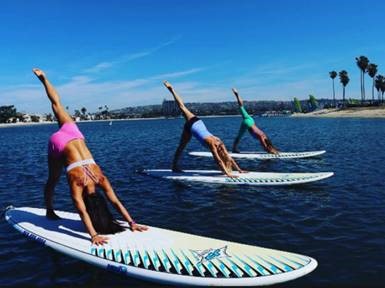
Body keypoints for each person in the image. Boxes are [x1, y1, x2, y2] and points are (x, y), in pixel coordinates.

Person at [33, 68, 147, 245]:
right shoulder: (78, 184)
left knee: (57, 103)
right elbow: (82, 211)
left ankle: (44, 78)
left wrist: (131, 221)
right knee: (53, 179)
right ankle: (49, 210)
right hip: (59, 144)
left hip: (74, 134)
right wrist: (93, 234)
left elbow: (114, 201)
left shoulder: (101, 178)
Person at [163, 81, 245, 177]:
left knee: (181, 147)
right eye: (219, 148)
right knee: (182, 107)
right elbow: (218, 160)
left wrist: (240, 170)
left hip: (192, 127)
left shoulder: (220, 143)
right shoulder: (213, 144)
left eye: (220, 149)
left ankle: (174, 166)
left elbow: (228, 157)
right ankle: (171, 89)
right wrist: (228, 174)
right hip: (194, 122)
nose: (220, 148)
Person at [232, 88, 279, 154]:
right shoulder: (262, 136)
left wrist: (270, 150)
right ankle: (234, 149)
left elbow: (265, 143)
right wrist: (269, 150)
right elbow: (264, 144)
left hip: (251, 120)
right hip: (249, 123)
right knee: (239, 136)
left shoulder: (263, 135)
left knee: (241, 106)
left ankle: (237, 95)